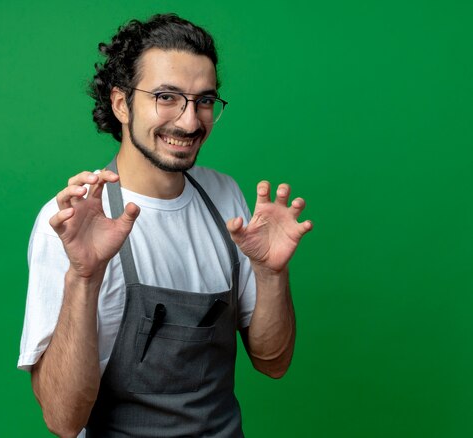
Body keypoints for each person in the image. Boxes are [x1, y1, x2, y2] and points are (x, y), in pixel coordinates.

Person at [18, 13, 312, 438]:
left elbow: (273, 362)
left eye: (204, 100)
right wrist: (84, 277)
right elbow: (63, 421)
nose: (190, 122)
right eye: (167, 97)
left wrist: (271, 274)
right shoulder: (69, 224)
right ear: (121, 103)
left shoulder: (224, 196)